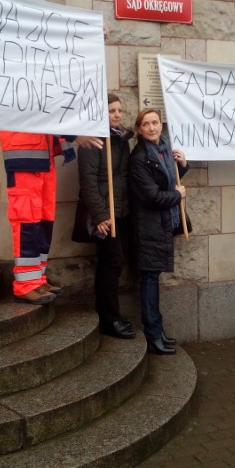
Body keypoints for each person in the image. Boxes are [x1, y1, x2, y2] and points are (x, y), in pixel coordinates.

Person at [0, 130, 102, 305]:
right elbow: (41, 108)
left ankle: (37, 280)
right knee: (27, 222)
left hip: (41, 155)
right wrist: (72, 135)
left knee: (43, 222)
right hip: (25, 157)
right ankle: (25, 285)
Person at [73, 93, 135, 339]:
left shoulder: (122, 141)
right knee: (112, 263)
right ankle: (109, 319)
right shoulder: (92, 142)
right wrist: (100, 215)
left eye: (119, 110)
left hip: (120, 212)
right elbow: (88, 182)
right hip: (104, 215)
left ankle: (110, 315)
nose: (117, 114)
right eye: (111, 111)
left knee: (113, 264)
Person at [128, 109, 188, 355]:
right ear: (139, 129)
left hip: (160, 224)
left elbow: (167, 180)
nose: (152, 128)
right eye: (146, 124)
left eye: (155, 123)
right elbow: (152, 195)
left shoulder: (163, 150)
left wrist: (183, 165)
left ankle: (159, 331)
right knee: (150, 279)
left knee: (153, 279)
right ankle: (153, 335)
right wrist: (177, 195)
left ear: (160, 126)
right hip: (147, 226)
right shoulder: (140, 157)